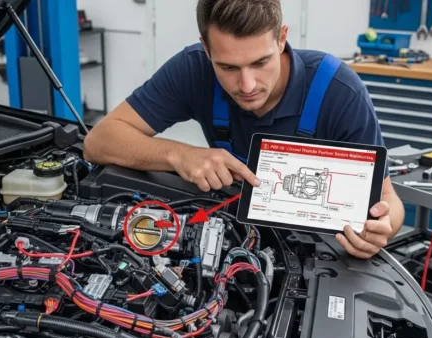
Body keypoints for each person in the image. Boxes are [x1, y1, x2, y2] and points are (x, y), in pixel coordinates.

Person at [83, 0, 404, 259]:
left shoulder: (338, 91)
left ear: (282, 38)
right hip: (234, 237)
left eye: (260, 62)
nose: (247, 84)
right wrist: (179, 155)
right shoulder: (194, 69)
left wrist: (383, 229)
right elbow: (99, 141)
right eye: (228, 67)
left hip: (318, 252)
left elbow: (388, 198)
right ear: (206, 50)